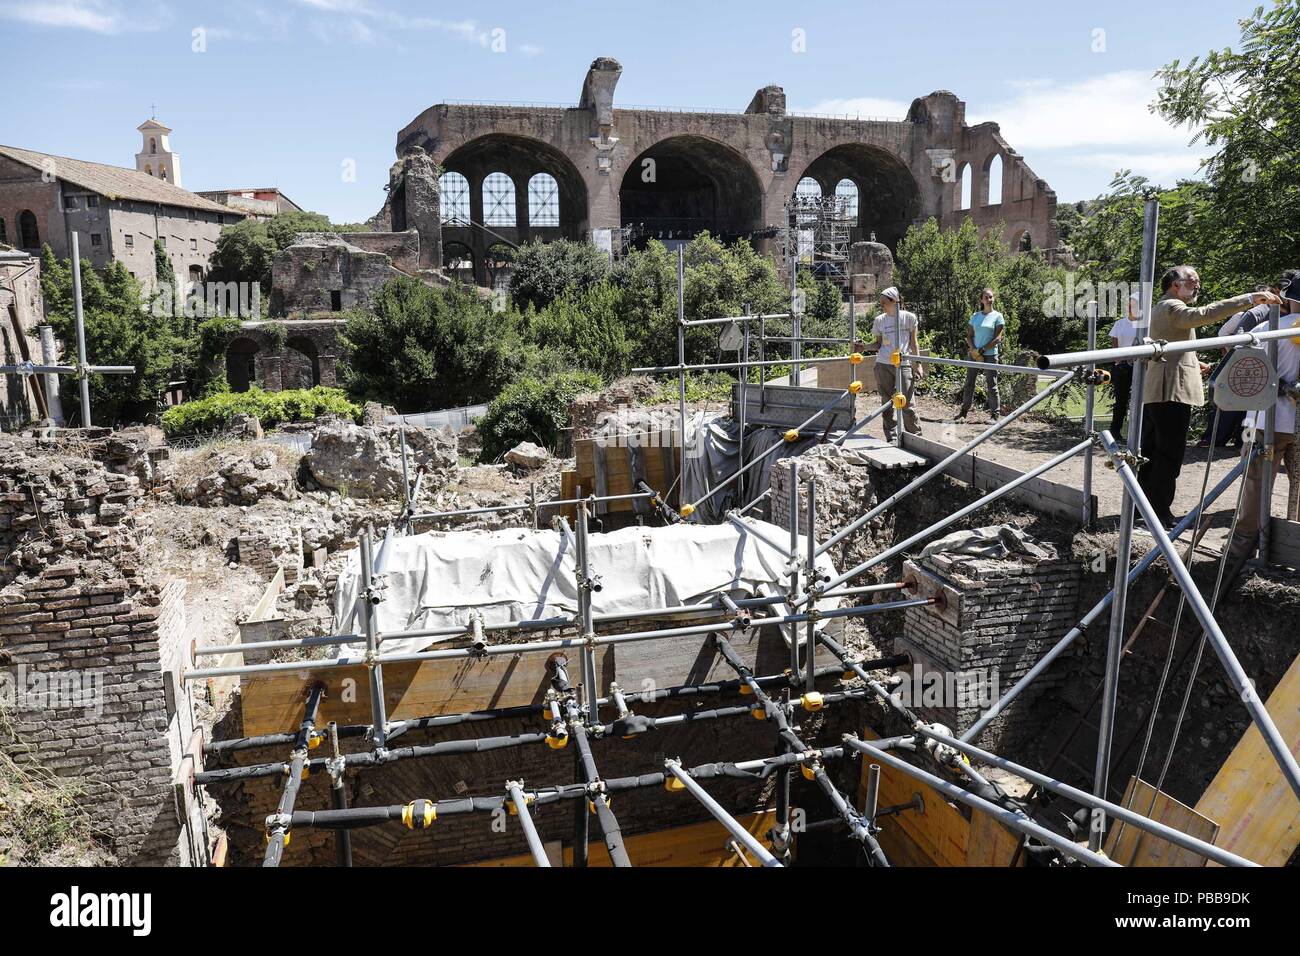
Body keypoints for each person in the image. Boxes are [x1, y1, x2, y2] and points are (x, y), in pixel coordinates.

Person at [1136, 266, 1280, 529]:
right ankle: (1158, 514)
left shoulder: (1162, 307)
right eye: (1193, 283)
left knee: (1153, 453)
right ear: (1175, 285)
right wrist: (1248, 299)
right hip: (1171, 392)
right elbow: (1202, 315)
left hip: (1160, 389)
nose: (1197, 288)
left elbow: (1171, 344)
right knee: (1168, 455)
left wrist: (1194, 362)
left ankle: (1143, 510)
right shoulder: (1172, 307)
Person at [1226, 272, 1300, 564]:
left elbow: (1241, 365)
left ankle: (1243, 548)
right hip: (1289, 420)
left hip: (1265, 421)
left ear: (1287, 297)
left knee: (1256, 485)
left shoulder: (1268, 327)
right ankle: (1293, 549)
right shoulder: (1274, 327)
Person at [1199, 273, 1296, 447]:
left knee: (1249, 420)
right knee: (1238, 413)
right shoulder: (1259, 315)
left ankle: (1241, 445)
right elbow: (1235, 340)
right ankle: (1233, 443)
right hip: (1255, 381)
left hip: (1276, 408)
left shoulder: (1278, 322)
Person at [871, 286, 923, 441]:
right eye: (881, 303)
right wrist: (864, 347)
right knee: (886, 402)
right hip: (883, 364)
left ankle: (915, 438)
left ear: (895, 301)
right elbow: (878, 344)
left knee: (907, 403)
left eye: (884, 303)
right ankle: (891, 437)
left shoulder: (909, 317)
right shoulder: (880, 320)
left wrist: (917, 364)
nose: (882, 306)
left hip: (904, 363)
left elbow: (914, 343)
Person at [957, 288, 1004, 420]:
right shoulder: (975, 316)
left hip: (990, 355)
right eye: (986, 297)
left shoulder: (998, 316)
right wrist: (974, 350)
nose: (989, 300)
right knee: (969, 383)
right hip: (974, 354)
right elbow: (969, 336)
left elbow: (998, 338)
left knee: (992, 385)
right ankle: (964, 413)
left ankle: (995, 415)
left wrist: (982, 350)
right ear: (981, 300)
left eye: (991, 297)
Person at [1107, 293, 1142, 439]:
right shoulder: (1120, 324)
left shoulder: (1145, 325)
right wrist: (1119, 362)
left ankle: (1140, 433)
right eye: (1129, 304)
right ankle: (1115, 432)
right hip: (1122, 367)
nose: (1130, 307)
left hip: (1140, 366)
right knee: (1121, 401)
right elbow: (1114, 345)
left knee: (1141, 400)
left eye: (1133, 304)